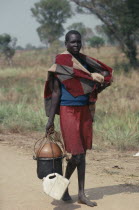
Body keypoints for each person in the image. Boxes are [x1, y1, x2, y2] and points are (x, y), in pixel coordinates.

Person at [44, 30, 113, 207]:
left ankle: (80, 192)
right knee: (77, 154)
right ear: (66, 44)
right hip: (68, 111)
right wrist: (50, 120)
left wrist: (99, 82)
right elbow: (56, 93)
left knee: (82, 154)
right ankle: (65, 186)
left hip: (85, 111)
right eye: (72, 42)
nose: (76, 45)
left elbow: (97, 82)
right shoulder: (61, 63)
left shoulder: (85, 63)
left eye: (78, 42)